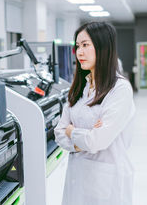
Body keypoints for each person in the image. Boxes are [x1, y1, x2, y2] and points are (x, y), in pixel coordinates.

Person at [54, 22, 135, 205]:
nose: (79, 52)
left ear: (103, 46)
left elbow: (98, 140)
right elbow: (59, 133)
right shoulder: (80, 87)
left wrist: (72, 132)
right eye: (77, 46)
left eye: (85, 45)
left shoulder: (119, 89)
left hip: (107, 181)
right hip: (77, 175)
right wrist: (83, 138)